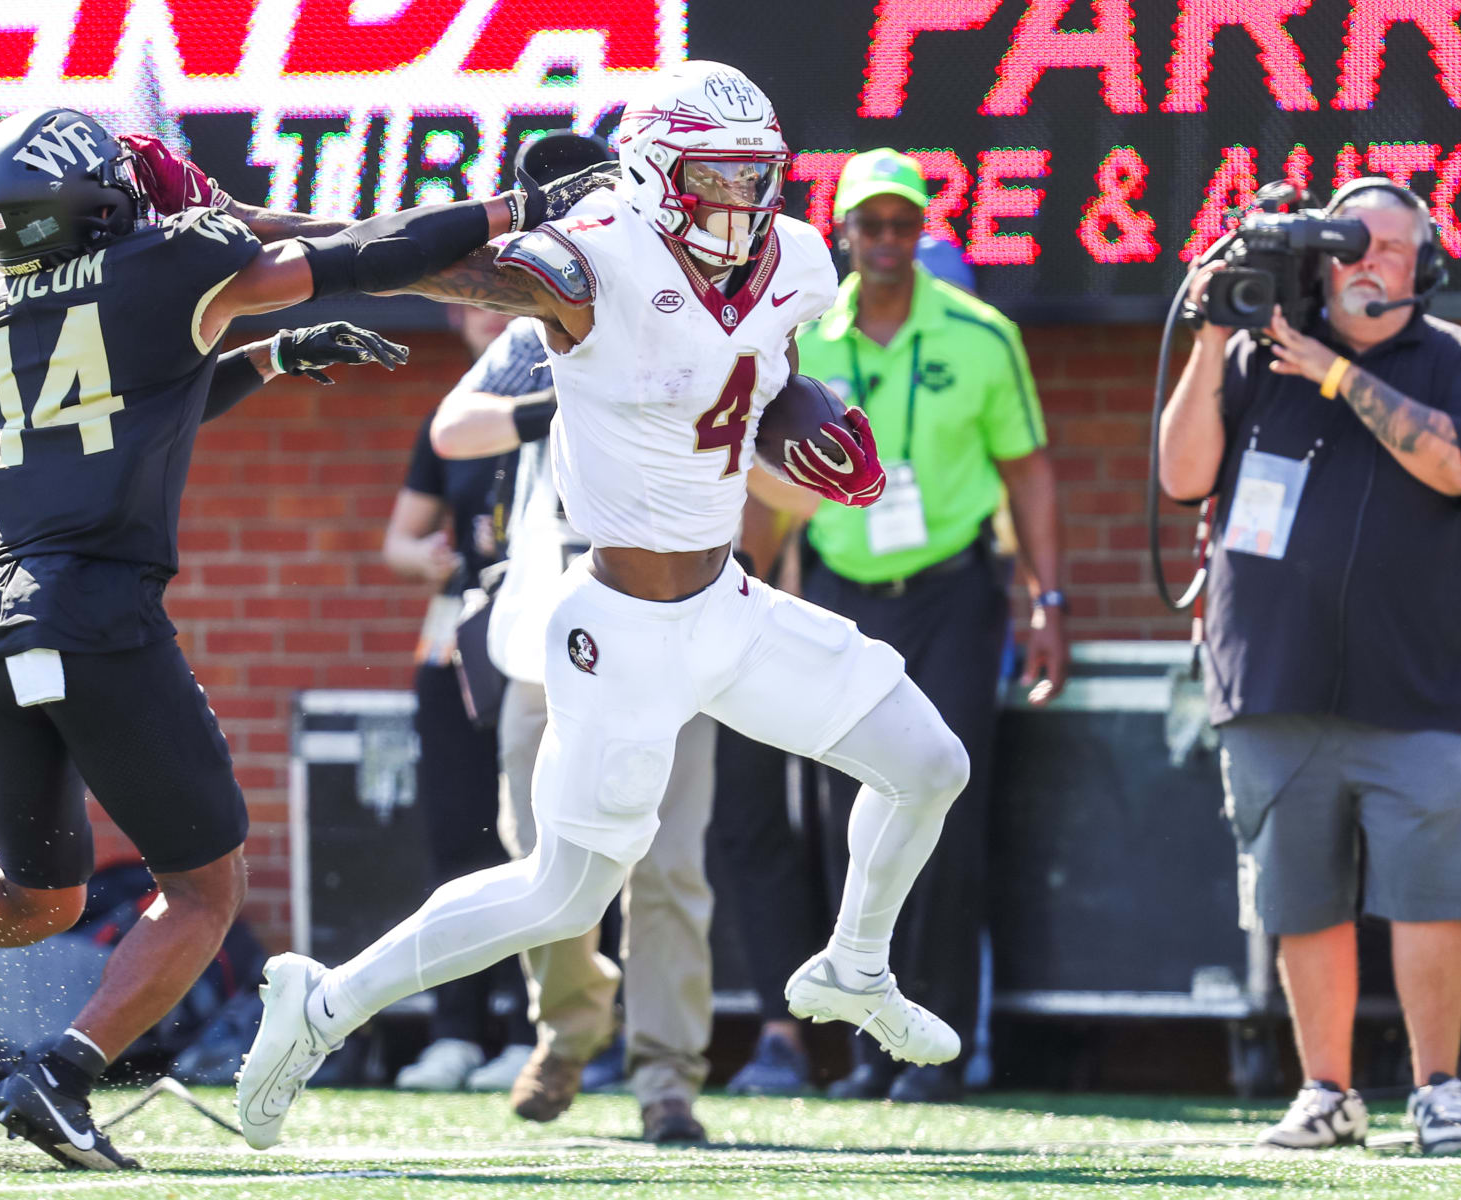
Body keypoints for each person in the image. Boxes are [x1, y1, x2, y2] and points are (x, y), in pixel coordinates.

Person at [0, 107, 611, 1170]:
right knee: (205, 890)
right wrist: (518, 207)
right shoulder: (166, 263)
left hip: (3, 614)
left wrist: (273, 353)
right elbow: (358, 254)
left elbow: (127, 403)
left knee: (38, 901)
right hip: (102, 613)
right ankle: (58, 1075)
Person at [236, 61, 972, 1151]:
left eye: (755, 179)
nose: (742, 205)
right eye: (716, 180)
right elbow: (415, 262)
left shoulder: (800, 260)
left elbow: (757, 382)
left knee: (929, 765)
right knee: (561, 898)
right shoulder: (589, 263)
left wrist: (806, 423)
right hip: (618, 628)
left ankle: (854, 968)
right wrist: (263, 229)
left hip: (726, 604)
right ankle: (325, 1003)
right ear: (657, 175)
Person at [1158, 178, 1461, 1155]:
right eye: (1351, 248)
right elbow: (1183, 477)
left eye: (1391, 249)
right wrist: (1203, 333)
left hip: (1413, 691)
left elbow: (1454, 469)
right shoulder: (1246, 354)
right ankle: (1328, 1092)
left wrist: (1335, 374)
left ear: (1424, 268)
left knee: (1430, 895)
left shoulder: (1456, 361)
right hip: (1271, 683)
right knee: (1302, 899)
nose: (1368, 265)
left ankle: (1439, 1092)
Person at [430, 187, 722, 1138]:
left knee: (669, 863)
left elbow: (752, 450)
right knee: (543, 859)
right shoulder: (534, 326)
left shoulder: (708, 313)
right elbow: (454, 431)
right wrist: (573, 393)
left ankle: (668, 1076)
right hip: (543, 638)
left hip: (676, 624)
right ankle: (568, 1029)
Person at [789, 148, 1066, 1103]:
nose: (889, 242)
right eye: (871, 226)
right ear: (846, 234)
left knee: (940, 809)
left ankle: (934, 1050)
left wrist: (1048, 602)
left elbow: (1028, 470)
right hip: (842, 590)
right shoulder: (806, 339)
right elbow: (768, 480)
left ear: (923, 232)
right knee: (843, 818)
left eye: (905, 224)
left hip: (953, 593)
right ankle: (865, 1045)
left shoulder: (982, 335)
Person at [380, 304, 536, 1093]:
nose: (489, 316)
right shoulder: (452, 420)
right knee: (460, 838)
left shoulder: (560, 408)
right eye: (473, 302)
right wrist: (431, 557)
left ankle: (533, 1030)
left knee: (541, 843)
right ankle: (456, 1030)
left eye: (502, 300)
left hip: (542, 645)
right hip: (458, 645)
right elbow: (399, 539)